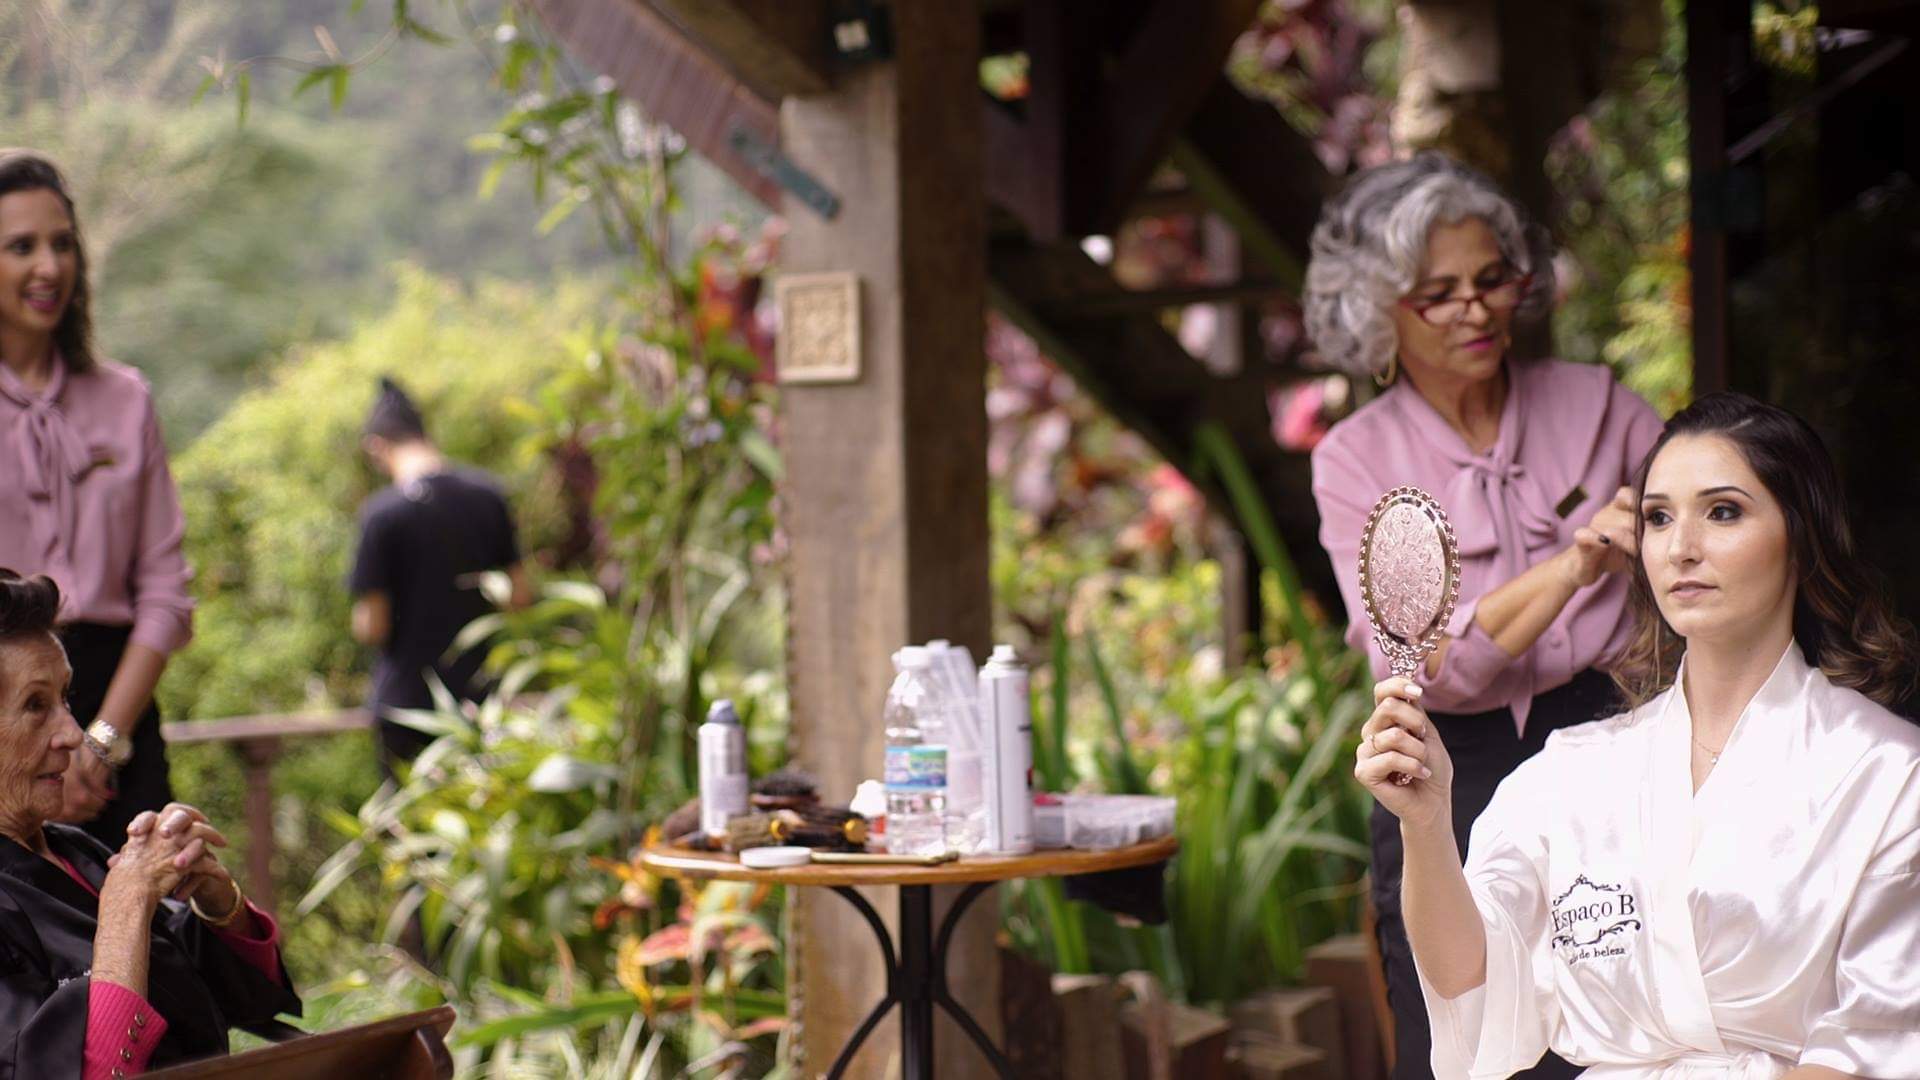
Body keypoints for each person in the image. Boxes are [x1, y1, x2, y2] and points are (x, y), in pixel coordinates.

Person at [1358, 392, 1920, 1078]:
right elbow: (1471, 981)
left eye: (1723, 512)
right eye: (1658, 518)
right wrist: (1425, 824)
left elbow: (1877, 1045)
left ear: (1801, 538)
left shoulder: (1888, 774)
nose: (1681, 548)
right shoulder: (1572, 771)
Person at [1304, 151, 1665, 1079]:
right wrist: (1575, 564)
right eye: (1438, 294)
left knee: (1617, 1030)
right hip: (1446, 776)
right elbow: (1432, 665)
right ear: (1379, 311)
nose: (1475, 309)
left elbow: (1697, 556)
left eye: (1492, 279)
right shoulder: (1354, 459)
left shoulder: (1599, 404)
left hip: (1612, 742)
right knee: (1461, 1043)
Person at [0, 570, 299, 1076]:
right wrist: (128, 901)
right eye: (35, 705)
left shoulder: (77, 852)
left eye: (65, 699)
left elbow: (248, 1003)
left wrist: (218, 902)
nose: (72, 734)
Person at [0, 149, 193, 850]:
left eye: (62, 244)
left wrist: (101, 741)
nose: (49, 267)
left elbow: (166, 591)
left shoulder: (125, 398)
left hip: (122, 709)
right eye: (21, 246)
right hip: (4, 704)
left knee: (154, 905)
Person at [349, 376, 530, 775]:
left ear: (377, 446)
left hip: (406, 707)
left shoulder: (383, 514)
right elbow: (519, 596)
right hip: (478, 699)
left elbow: (372, 625)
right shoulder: (488, 495)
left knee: (409, 810)